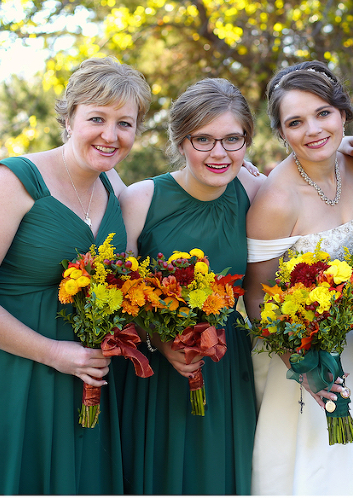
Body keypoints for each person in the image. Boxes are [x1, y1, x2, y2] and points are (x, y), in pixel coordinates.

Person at [0, 56, 151, 494]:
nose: (111, 135)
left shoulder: (111, 184)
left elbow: (165, 205)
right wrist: (53, 352)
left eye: (125, 123)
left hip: (74, 378)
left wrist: (243, 177)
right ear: (68, 119)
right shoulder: (13, 180)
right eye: (96, 119)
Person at [243, 61, 353, 495]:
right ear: (281, 133)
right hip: (302, 353)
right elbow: (257, 299)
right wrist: (305, 369)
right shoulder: (275, 201)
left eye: (323, 114)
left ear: (342, 113)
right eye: (295, 122)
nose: (313, 130)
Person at [117, 77, 265, 494]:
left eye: (232, 139)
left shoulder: (256, 193)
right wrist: (159, 342)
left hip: (225, 363)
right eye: (203, 139)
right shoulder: (142, 198)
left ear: (246, 142)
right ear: (181, 141)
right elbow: (120, 294)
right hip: (157, 367)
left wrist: (348, 146)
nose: (219, 153)